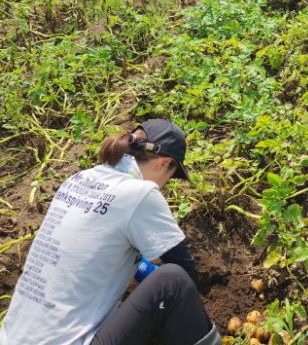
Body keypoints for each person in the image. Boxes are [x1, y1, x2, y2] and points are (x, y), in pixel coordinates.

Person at [0, 120, 221, 345]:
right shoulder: (140, 193)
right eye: (171, 176)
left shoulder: (78, 180)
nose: (165, 185)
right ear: (163, 163)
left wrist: (141, 267)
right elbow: (185, 270)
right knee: (172, 281)